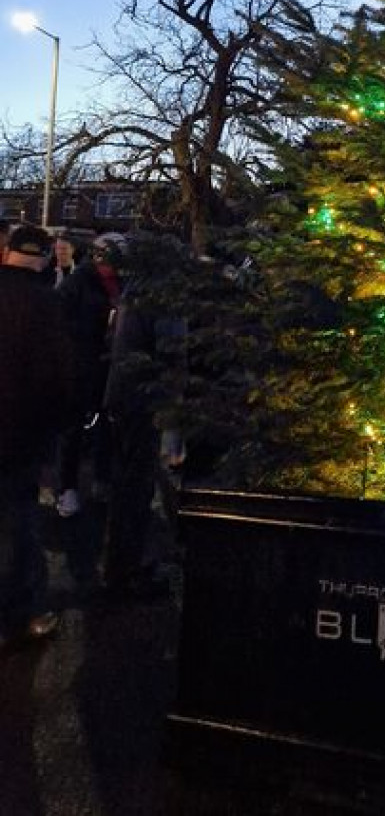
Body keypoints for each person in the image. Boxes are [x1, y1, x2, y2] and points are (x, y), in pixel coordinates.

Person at [101, 238, 187, 601]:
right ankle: (125, 574)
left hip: (122, 398)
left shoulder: (136, 289)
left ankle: (120, 565)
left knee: (126, 487)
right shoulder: (162, 295)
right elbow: (170, 352)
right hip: (142, 403)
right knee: (134, 490)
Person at [0, 223, 73, 648]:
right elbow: (58, 380)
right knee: (17, 525)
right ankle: (19, 613)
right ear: (44, 256)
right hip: (19, 437)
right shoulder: (46, 305)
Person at [53, 232, 124, 518]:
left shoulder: (121, 281)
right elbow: (58, 321)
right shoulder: (76, 283)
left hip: (109, 364)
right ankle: (66, 487)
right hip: (81, 364)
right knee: (71, 429)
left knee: (107, 425)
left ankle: (101, 478)